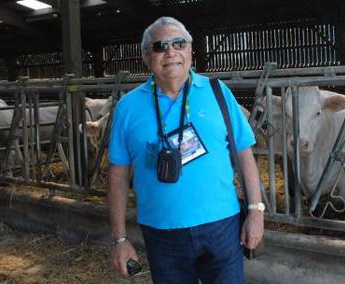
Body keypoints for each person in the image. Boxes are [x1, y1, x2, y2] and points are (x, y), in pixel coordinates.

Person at [107, 16, 264, 283]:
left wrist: (256, 212)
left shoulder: (217, 91)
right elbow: (118, 176)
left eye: (179, 43)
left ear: (190, 50)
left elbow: (245, 155)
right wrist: (120, 239)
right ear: (146, 57)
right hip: (162, 232)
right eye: (160, 46)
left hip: (223, 225)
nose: (171, 52)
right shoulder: (128, 107)